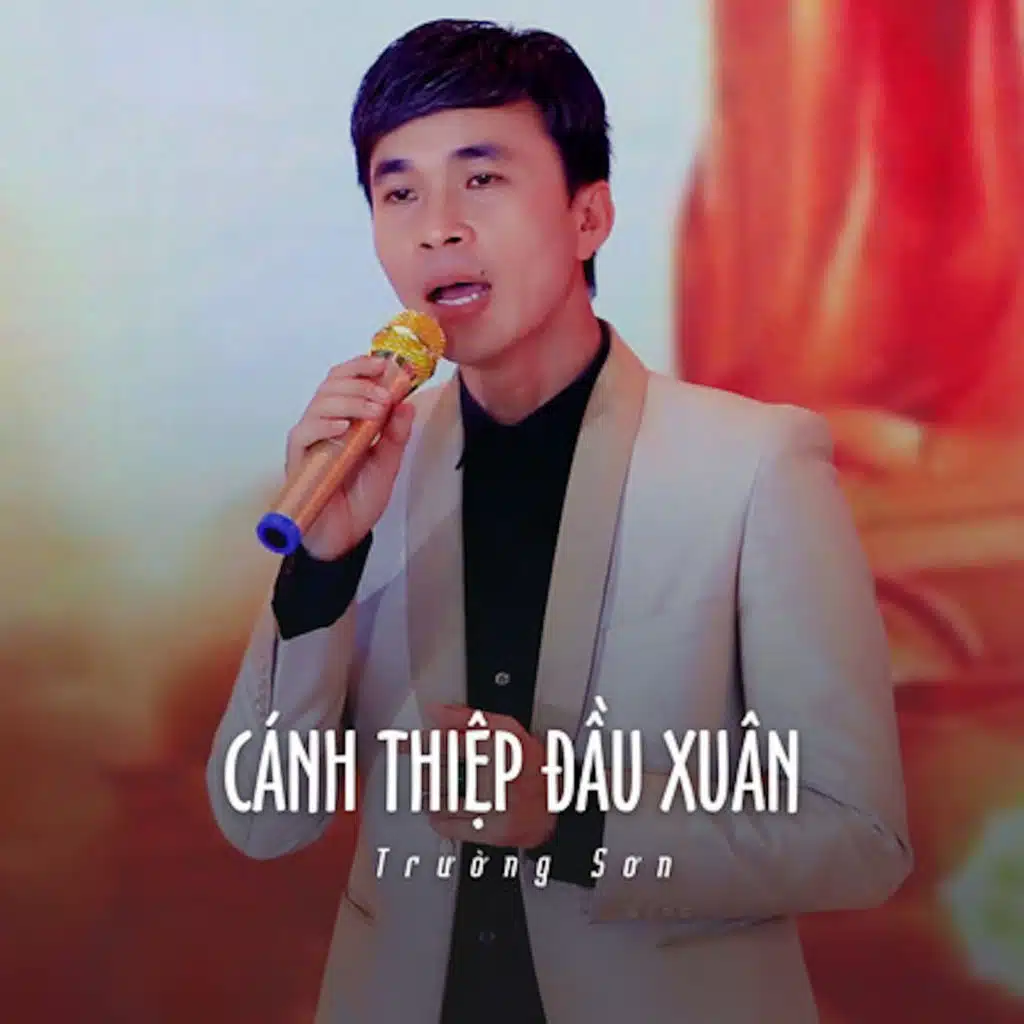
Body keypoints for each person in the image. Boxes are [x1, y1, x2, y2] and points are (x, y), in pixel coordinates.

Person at [206, 18, 913, 1024]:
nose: (437, 227)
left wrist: (571, 819)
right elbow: (263, 818)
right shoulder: (361, 467)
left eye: (481, 179)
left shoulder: (753, 465)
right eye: (399, 192)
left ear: (589, 216)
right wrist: (322, 565)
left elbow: (858, 838)